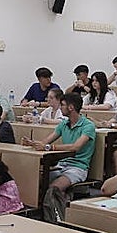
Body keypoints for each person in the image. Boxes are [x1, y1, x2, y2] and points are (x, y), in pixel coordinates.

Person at [22, 92, 96, 223]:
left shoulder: (88, 126)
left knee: (54, 188)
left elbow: (75, 147)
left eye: (62, 105)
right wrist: (34, 143)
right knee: (34, 180)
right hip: (61, 164)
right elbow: (47, 141)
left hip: (78, 167)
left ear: (71, 107)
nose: (60, 108)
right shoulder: (64, 124)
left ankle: (55, 220)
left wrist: (49, 147)